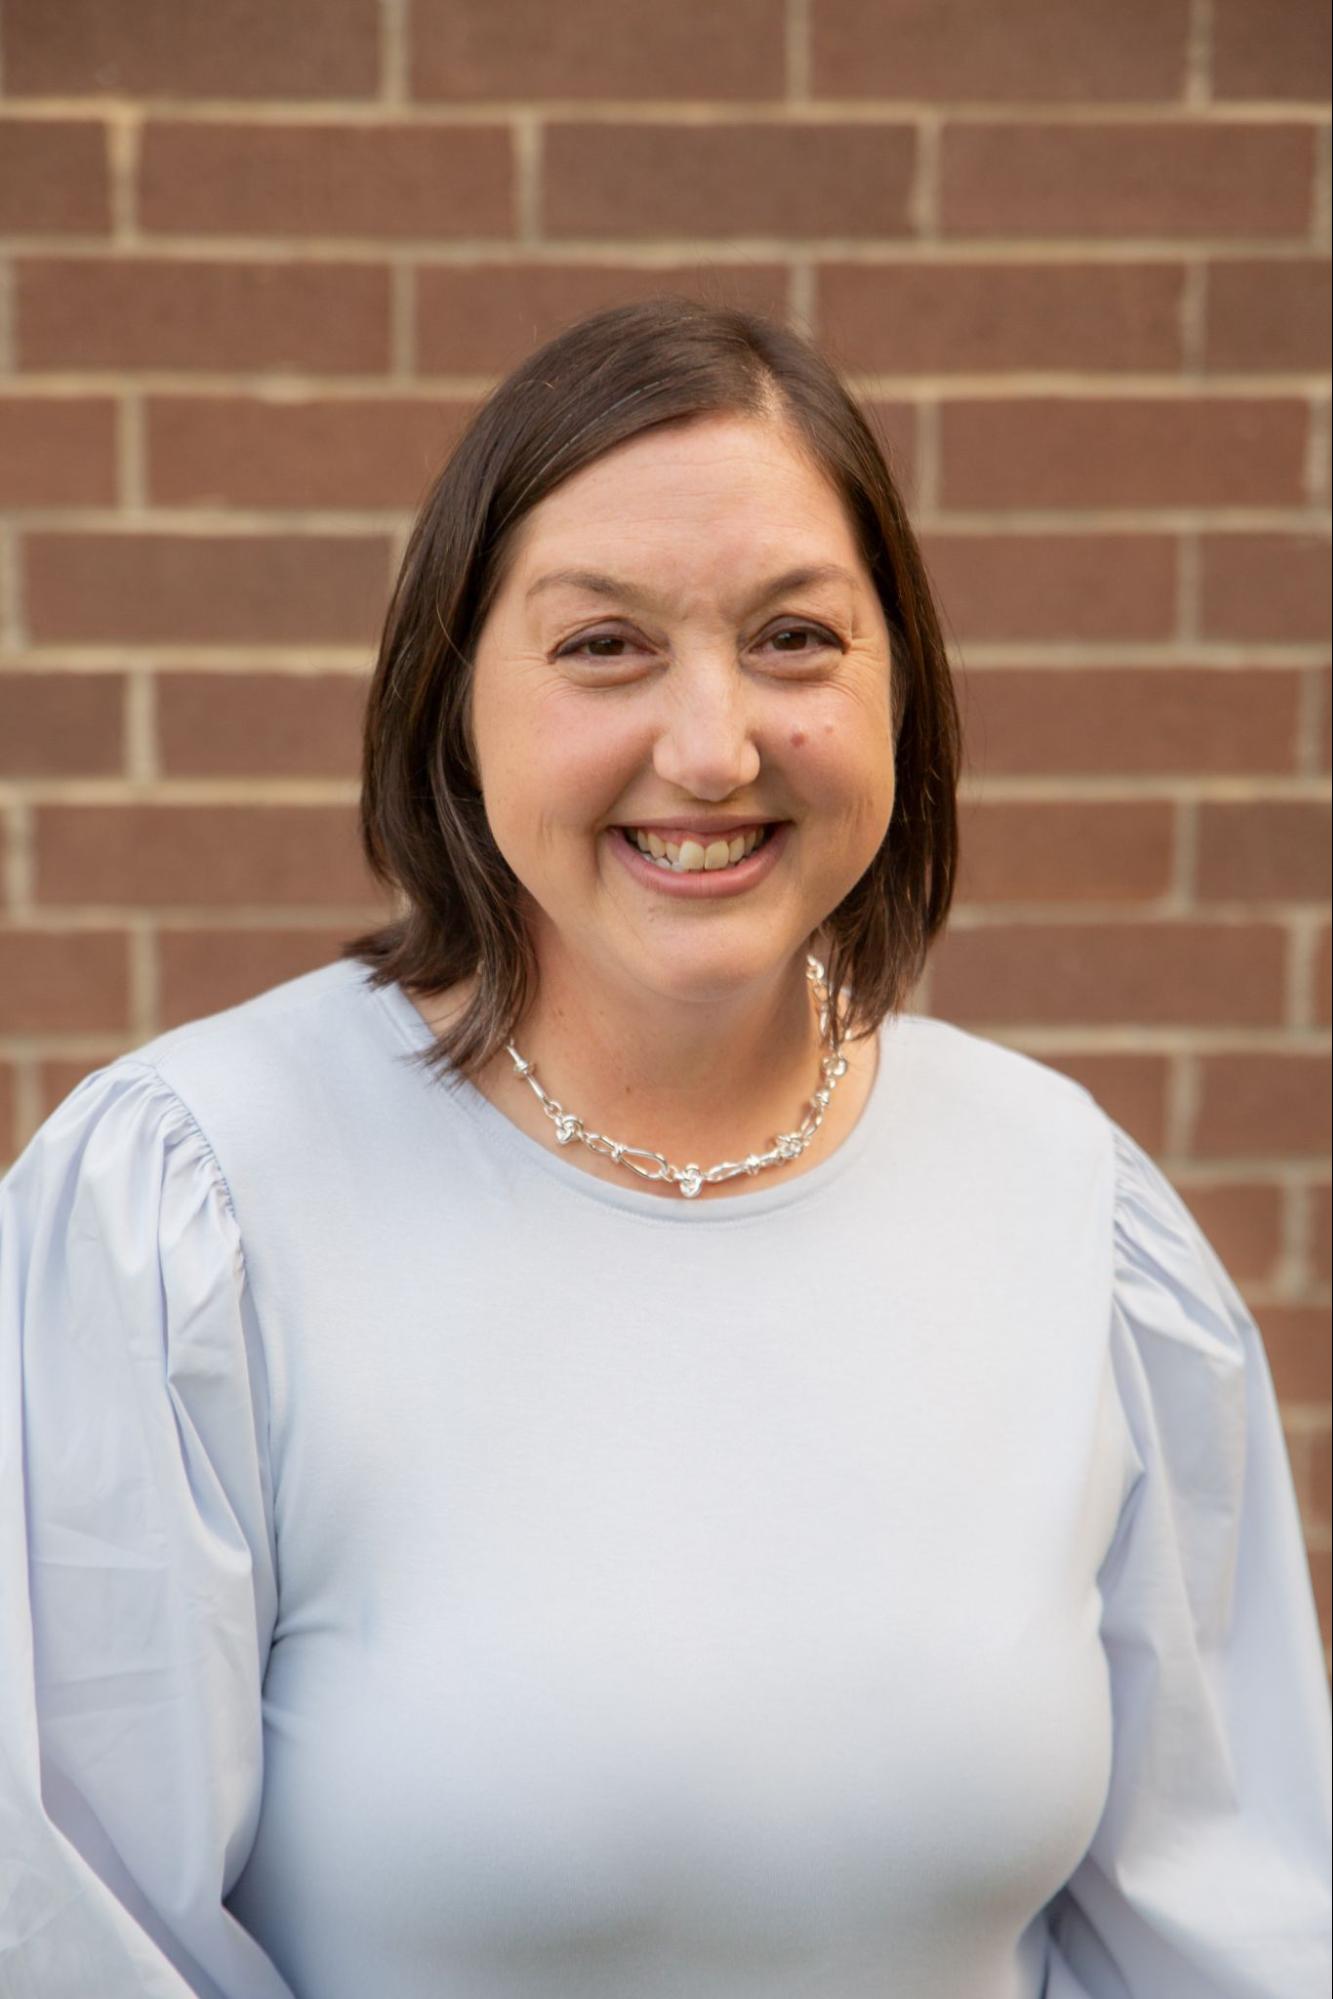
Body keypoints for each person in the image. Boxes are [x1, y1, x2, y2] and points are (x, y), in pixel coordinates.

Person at [0, 295, 1328, 1999]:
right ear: (449, 698)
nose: (711, 749)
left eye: (794, 639)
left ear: (896, 689)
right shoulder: (190, 1212)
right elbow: (69, 1930)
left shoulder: (1073, 1215)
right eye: (602, 646)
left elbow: (1229, 1927)